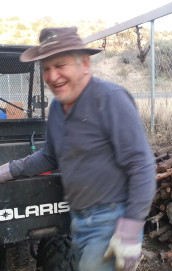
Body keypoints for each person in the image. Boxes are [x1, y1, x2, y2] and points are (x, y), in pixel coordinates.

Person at [0, 26, 156, 271]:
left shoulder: (110, 99)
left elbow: (142, 165)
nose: (52, 76)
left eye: (60, 65)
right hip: (79, 220)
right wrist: (8, 170)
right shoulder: (57, 110)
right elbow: (49, 157)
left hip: (111, 220)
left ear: (84, 63)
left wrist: (129, 230)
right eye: (46, 68)